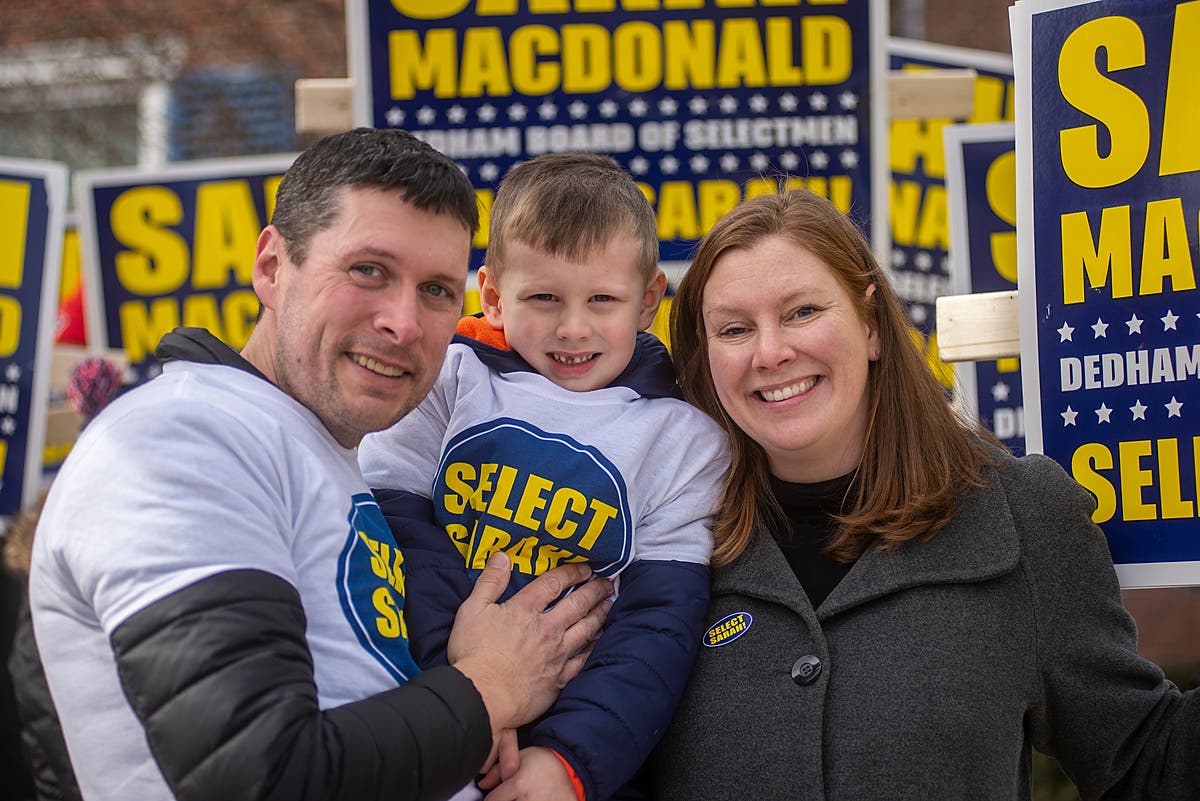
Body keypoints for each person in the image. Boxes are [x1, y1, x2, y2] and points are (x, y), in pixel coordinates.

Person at [27, 127, 614, 801]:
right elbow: (259, 773)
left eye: (436, 290)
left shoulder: (314, 448)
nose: (403, 320)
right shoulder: (177, 436)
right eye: (368, 270)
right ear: (272, 267)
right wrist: (489, 687)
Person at [646, 188, 1200, 800]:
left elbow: (1145, 761)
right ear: (704, 355)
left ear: (873, 324)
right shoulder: (656, 531)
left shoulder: (1023, 516)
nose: (771, 351)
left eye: (803, 312)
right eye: (734, 329)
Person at [359, 152, 729, 801]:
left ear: (648, 301)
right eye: (544, 298)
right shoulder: (450, 377)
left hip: (580, 748)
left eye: (602, 300)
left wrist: (568, 762)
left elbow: (659, 627)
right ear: (494, 295)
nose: (573, 327)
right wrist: (469, 688)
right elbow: (394, 534)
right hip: (428, 700)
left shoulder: (683, 436)